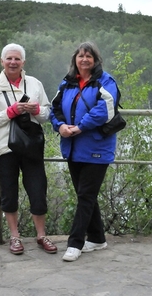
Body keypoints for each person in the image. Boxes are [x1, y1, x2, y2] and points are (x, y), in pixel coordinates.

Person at [0, 43, 57, 255]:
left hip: (31, 146)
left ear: (23, 62)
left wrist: (36, 109)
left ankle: (41, 235)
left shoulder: (34, 84)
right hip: (5, 147)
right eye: (9, 59)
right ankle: (15, 237)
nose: (13, 62)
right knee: (9, 193)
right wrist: (11, 111)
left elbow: (46, 114)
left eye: (17, 59)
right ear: (2, 61)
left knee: (38, 189)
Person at [50, 41, 119, 262]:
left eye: (89, 56)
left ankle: (75, 243)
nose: (84, 60)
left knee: (86, 195)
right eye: (80, 56)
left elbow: (105, 109)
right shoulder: (67, 83)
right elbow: (55, 108)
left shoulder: (105, 81)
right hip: (72, 147)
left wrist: (80, 126)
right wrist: (60, 126)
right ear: (75, 60)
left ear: (96, 59)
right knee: (85, 195)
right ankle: (98, 238)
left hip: (97, 147)